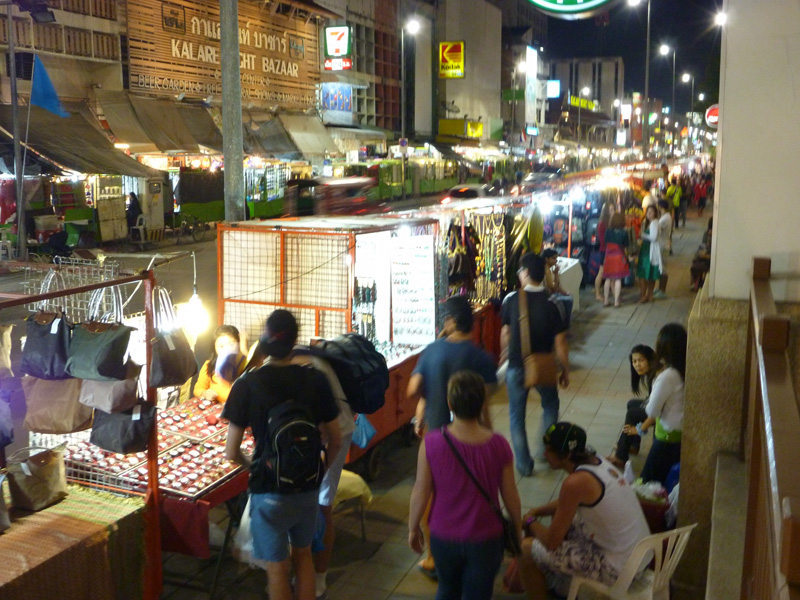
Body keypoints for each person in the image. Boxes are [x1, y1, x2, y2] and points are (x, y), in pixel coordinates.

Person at [223, 310, 342, 600]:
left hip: (269, 488)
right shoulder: (314, 380)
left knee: (277, 569)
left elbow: (231, 451)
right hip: (307, 485)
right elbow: (336, 438)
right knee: (303, 557)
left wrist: (254, 466)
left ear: (264, 340)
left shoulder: (247, 384)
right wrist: (321, 470)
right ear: (294, 342)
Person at [408, 371, 521, 600]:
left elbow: (421, 490)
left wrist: (413, 528)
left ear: (450, 403)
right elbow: (510, 494)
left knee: (447, 589)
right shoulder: (498, 444)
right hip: (486, 538)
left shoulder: (432, 443)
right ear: (482, 404)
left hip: (443, 535)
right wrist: (517, 529)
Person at [407, 294, 498, 578]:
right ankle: (469, 548)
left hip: (436, 434)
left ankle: (435, 556)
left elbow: (411, 390)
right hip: (473, 433)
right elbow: (487, 397)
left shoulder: (431, 351)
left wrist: (428, 399)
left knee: (431, 492)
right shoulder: (481, 357)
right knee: (468, 492)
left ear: (448, 321)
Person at [518, 423, 651, 599]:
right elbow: (567, 503)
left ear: (566, 455)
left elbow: (551, 542)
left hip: (621, 570)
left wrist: (529, 521)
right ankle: (558, 580)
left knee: (526, 549)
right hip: (641, 554)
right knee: (568, 523)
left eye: (549, 450)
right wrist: (537, 511)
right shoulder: (598, 461)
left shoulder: (575, 482)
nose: (544, 454)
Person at [500, 252, 570, 477]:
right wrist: (565, 370)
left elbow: (505, 332)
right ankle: (545, 450)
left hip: (516, 367)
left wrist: (505, 354)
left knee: (516, 416)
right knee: (550, 405)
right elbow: (560, 342)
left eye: (520, 271)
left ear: (527, 273)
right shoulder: (554, 302)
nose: (519, 274)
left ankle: (524, 465)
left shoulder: (511, 299)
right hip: (544, 365)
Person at [626, 323, 686, 486]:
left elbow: (652, 410)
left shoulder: (668, 375)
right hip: (679, 434)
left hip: (667, 436)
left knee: (647, 481)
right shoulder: (684, 368)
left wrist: (641, 428)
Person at [607, 345, 658, 469]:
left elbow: (656, 410)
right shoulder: (652, 374)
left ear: (650, 360)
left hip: (662, 414)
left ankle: (621, 456)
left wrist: (640, 429)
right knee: (632, 404)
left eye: (641, 360)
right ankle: (633, 446)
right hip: (657, 408)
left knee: (633, 413)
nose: (637, 365)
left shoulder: (657, 377)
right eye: (634, 361)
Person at [194, 325, 247, 403]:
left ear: (238, 344)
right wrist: (204, 393)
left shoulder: (246, 364)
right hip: (216, 413)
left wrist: (244, 351)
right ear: (215, 347)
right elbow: (197, 389)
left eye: (231, 344)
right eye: (221, 346)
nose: (226, 350)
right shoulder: (209, 366)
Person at [601, 213, 630, 308]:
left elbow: (605, 242)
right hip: (619, 257)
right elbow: (626, 244)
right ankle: (616, 302)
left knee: (608, 279)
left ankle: (606, 300)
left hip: (608, 256)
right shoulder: (624, 232)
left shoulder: (608, 231)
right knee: (618, 279)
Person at [636, 205, 662, 303]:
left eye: (651, 212)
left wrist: (642, 235)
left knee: (643, 274)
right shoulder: (652, 223)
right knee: (651, 274)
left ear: (655, 213)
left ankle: (644, 296)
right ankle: (649, 295)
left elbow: (653, 237)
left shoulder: (654, 223)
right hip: (648, 250)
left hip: (648, 251)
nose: (649, 214)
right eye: (648, 212)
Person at [541, 248, 573, 327]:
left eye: (556, 258)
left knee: (568, 297)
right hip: (547, 296)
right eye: (554, 258)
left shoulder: (548, 268)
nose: (556, 261)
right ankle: (564, 326)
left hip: (548, 294)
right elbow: (554, 289)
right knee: (568, 301)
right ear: (547, 259)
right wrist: (556, 274)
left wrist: (564, 292)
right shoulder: (546, 270)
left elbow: (557, 287)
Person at [594, 201, 614, 301]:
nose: (613, 211)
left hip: (610, 251)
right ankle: (597, 294)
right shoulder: (602, 224)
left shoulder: (609, 222)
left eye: (613, 209)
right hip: (605, 251)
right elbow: (603, 240)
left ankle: (613, 292)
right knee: (601, 272)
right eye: (611, 210)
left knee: (610, 273)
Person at [690, 217, 713, 292]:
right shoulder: (706, 234)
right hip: (706, 255)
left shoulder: (715, 235)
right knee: (696, 261)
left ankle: (696, 283)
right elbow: (704, 245)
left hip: (710, 258)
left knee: (697, 265)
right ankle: (696, 282)